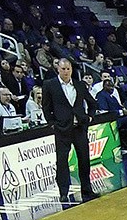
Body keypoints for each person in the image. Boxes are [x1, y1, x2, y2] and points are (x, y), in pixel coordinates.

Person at [41, 59, 99, 205]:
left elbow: (92, 103)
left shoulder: (79, 85)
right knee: (61, 161)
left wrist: (89, 116)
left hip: (79, 127)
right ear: (58, 69)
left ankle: (87, 189)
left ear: (71, 69)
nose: (66, 71)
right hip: (62, 129)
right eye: (63, 69)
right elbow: (46, 107)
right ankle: (63, 193)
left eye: (68, 69)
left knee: (84, 159)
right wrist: (52, 123)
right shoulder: (50, 85)